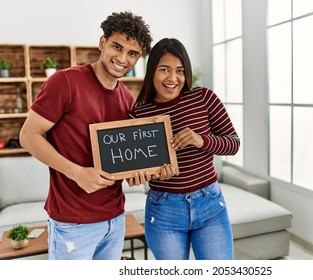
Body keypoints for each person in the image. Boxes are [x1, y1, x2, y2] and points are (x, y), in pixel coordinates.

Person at [19, 11, 175, 260]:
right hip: (73, 222)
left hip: (115, 218)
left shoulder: (127, 99)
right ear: (102, 43)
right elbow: (28, 136)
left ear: (139, 59)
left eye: (132, 53)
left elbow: (121, 159)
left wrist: (137, 174)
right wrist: (77, 173)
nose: (122, 58)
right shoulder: (65, 82)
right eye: (117, 46)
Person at [129, 38, 240, 260]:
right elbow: (132, 173)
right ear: (152, 72)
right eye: (164, 70)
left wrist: (202, 140)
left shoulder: (204, 98)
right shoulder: (138, 116)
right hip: (163, 210)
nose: (173, 78)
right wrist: (138, 175)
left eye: (179, 70)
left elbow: (233, 143)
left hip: (209, 204)